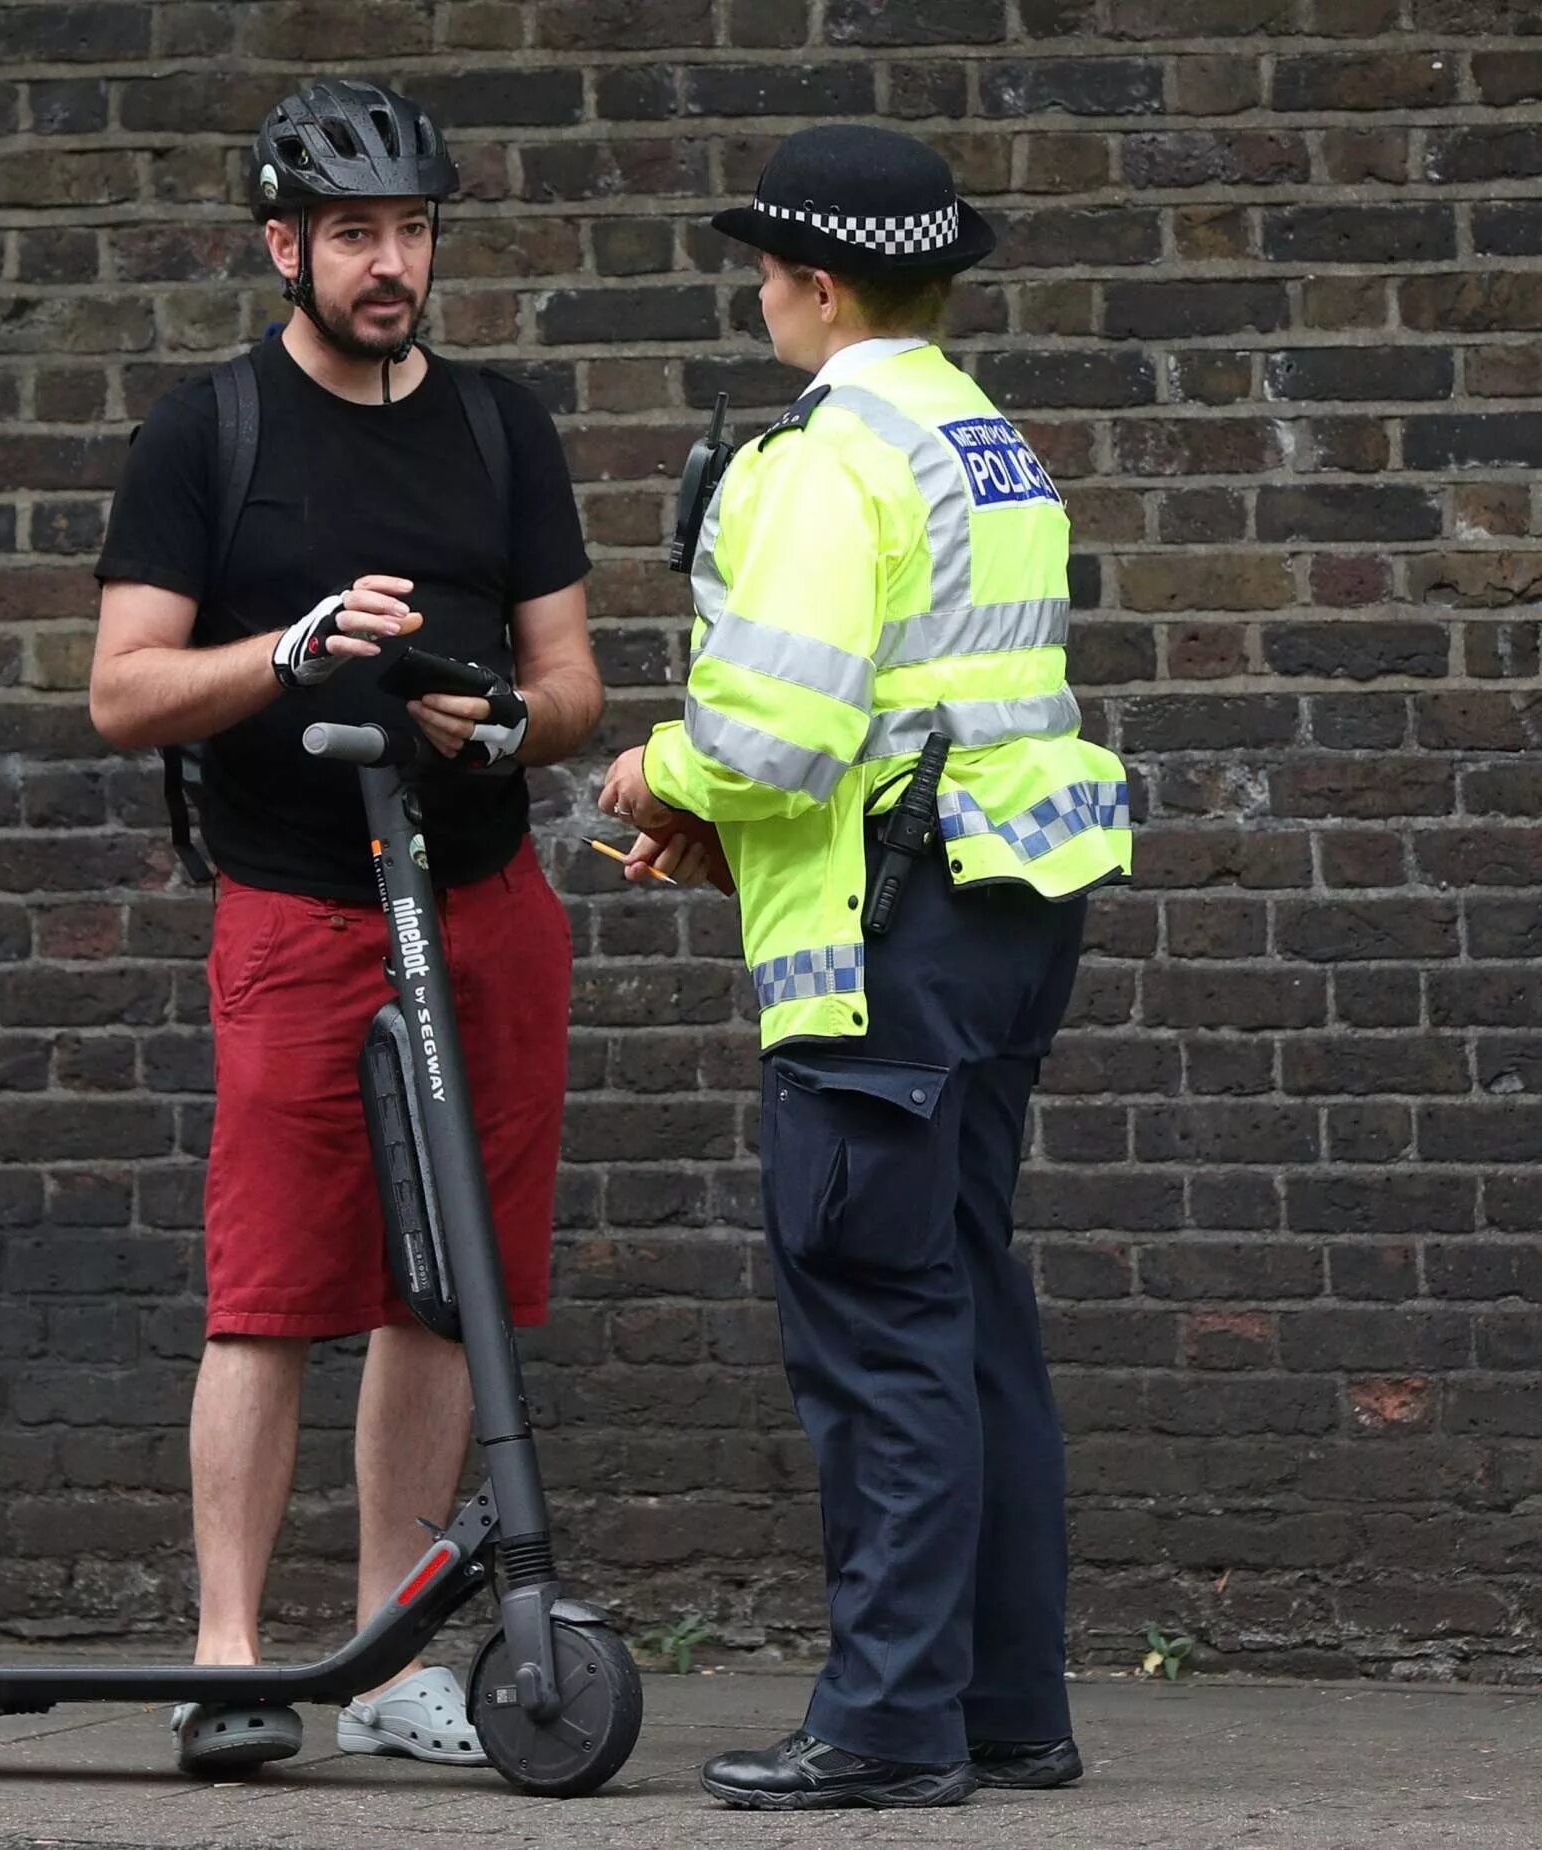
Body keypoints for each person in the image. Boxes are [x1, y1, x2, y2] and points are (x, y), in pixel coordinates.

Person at [597, 124, 1132, 1810]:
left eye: (765, 274)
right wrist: (743, 805)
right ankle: (1001, 1708)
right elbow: (925, 707)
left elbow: (779, 726)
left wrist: (657, 775)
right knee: (969, 1313)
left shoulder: (823, 458)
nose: (760, 300)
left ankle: (890, 1723)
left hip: (884, 949)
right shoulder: (988, 440)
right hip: (1003, 916)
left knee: (878, 1329)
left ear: (819, 287)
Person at [88, 79, 602, 1776]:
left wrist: (502, 723)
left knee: (443, 1290)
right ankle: (227, 1656)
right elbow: (124, 692)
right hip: (301, 911)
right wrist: (295, 646)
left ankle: (390, 1657)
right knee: (269, 1290)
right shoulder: (206, 434)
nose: (392, 267)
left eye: (413, 234)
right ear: (283, 246)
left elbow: (576, 688)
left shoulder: (495, 427)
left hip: (480, 902)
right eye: (357, 237)